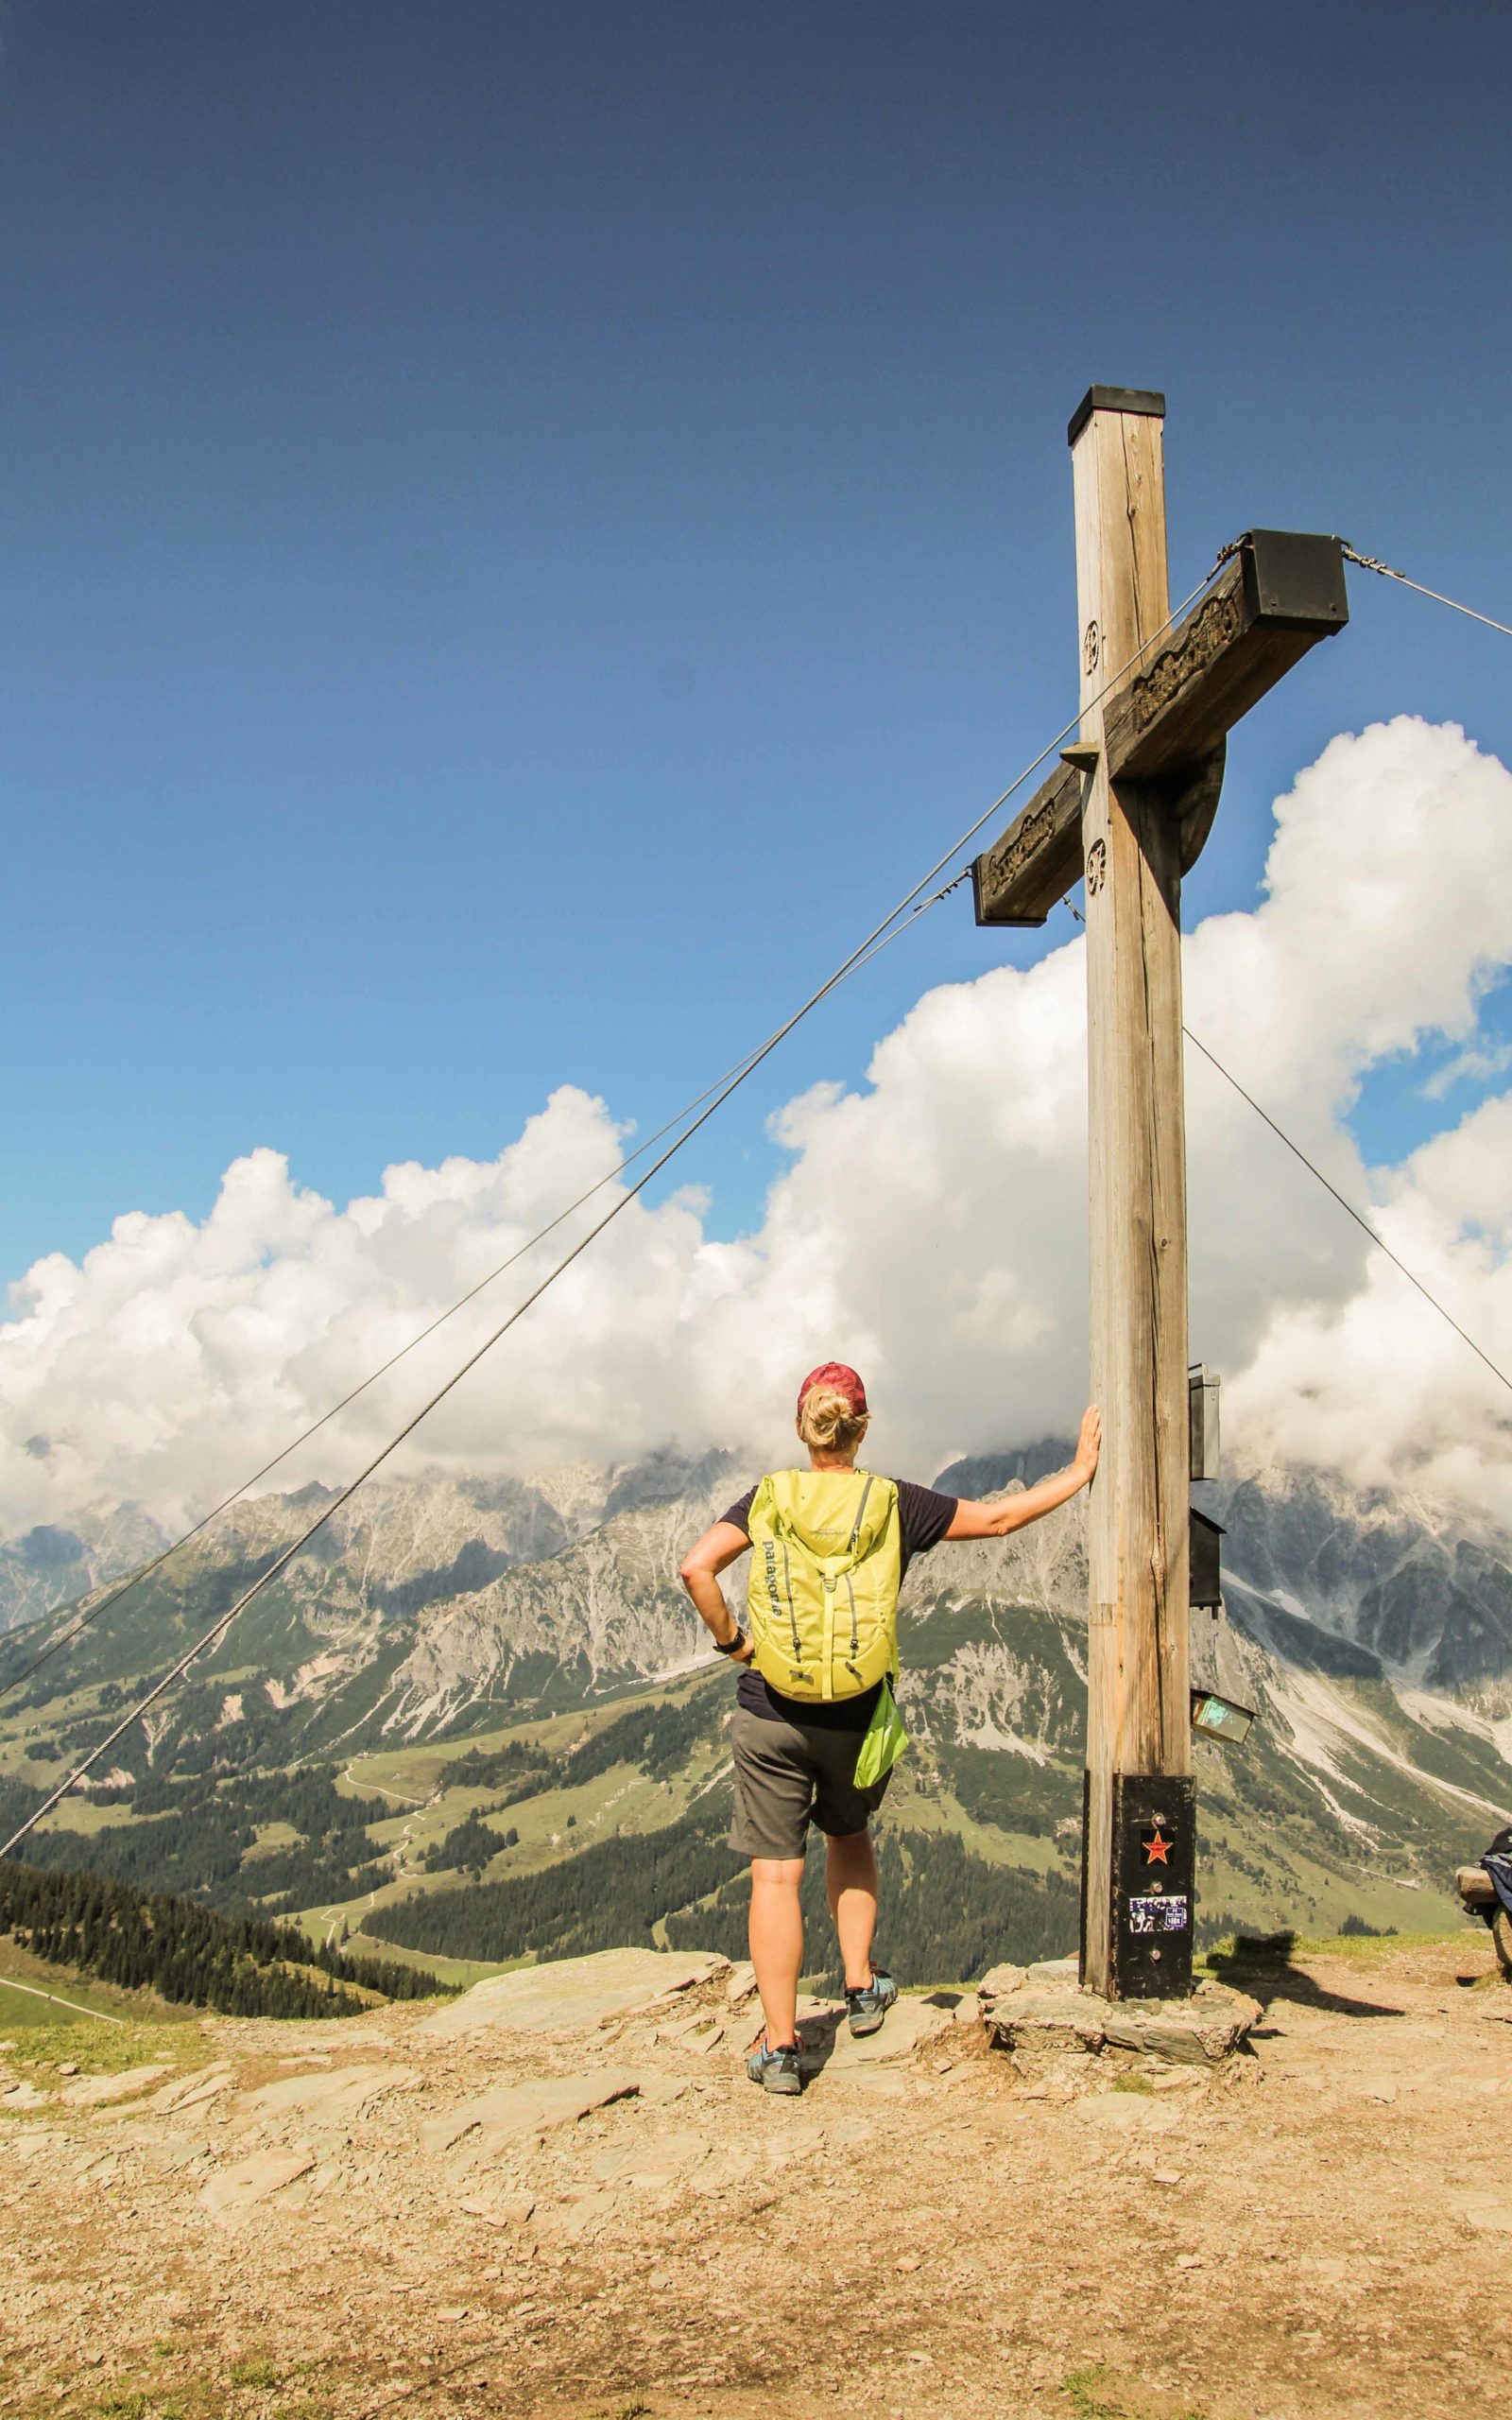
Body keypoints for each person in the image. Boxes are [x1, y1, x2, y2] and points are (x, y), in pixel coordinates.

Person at [679, 1361, 1101, 2092]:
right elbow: (1000, 1520)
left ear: (801, 1427)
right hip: (857, 1717)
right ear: (863, 1428)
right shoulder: (895, 1502)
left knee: (775, 1877)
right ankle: (861, 1985)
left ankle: (781, 2051)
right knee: (850, 1836)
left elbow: (695, 1569)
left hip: (770, 1709)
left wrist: (734, 1644)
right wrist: (1080, 1470)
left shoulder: (768, 1498)